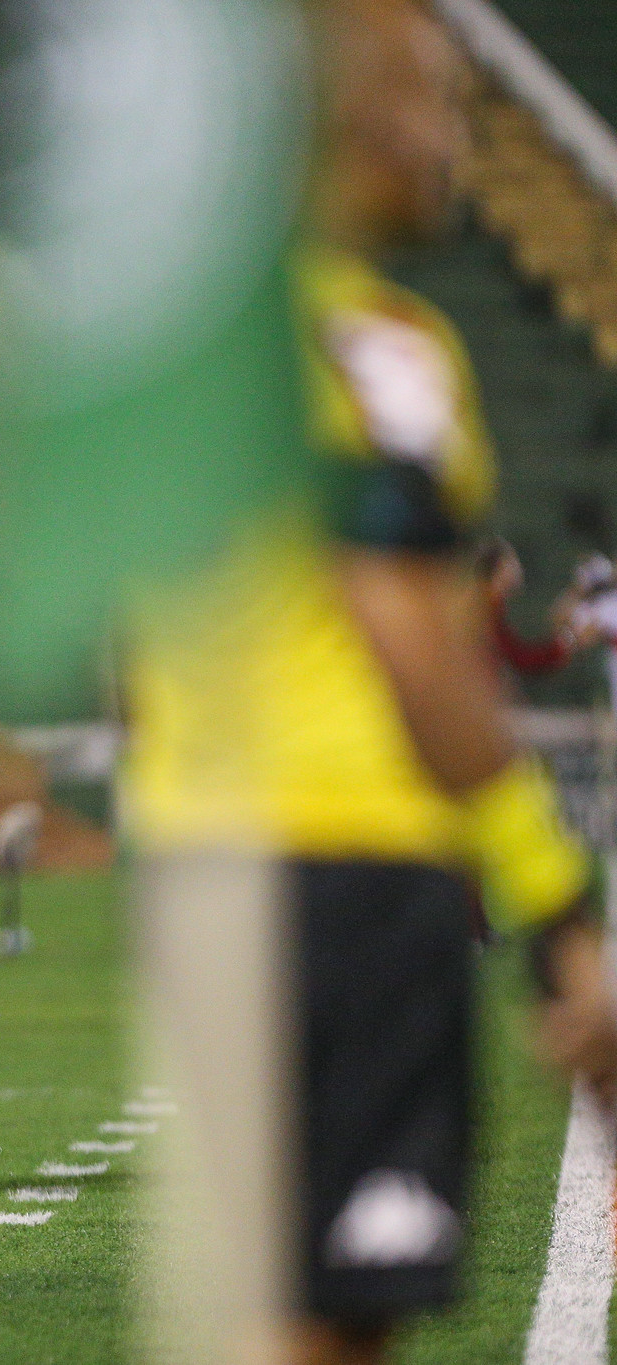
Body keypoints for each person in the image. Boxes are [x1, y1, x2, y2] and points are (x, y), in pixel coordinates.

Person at [119, 4, 617, 1360]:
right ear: (362, 119)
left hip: (197, 864)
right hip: (345, 879)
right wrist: (562, 915)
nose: (456, 140)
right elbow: (411, 645)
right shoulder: (373, 350)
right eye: (443, 102)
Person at [476, 536, 583, 677]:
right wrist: (567, 641)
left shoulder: (489, 606)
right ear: (501, 567)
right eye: (514, 561)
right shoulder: (484, 610)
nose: (520, 568)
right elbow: (520, 658)